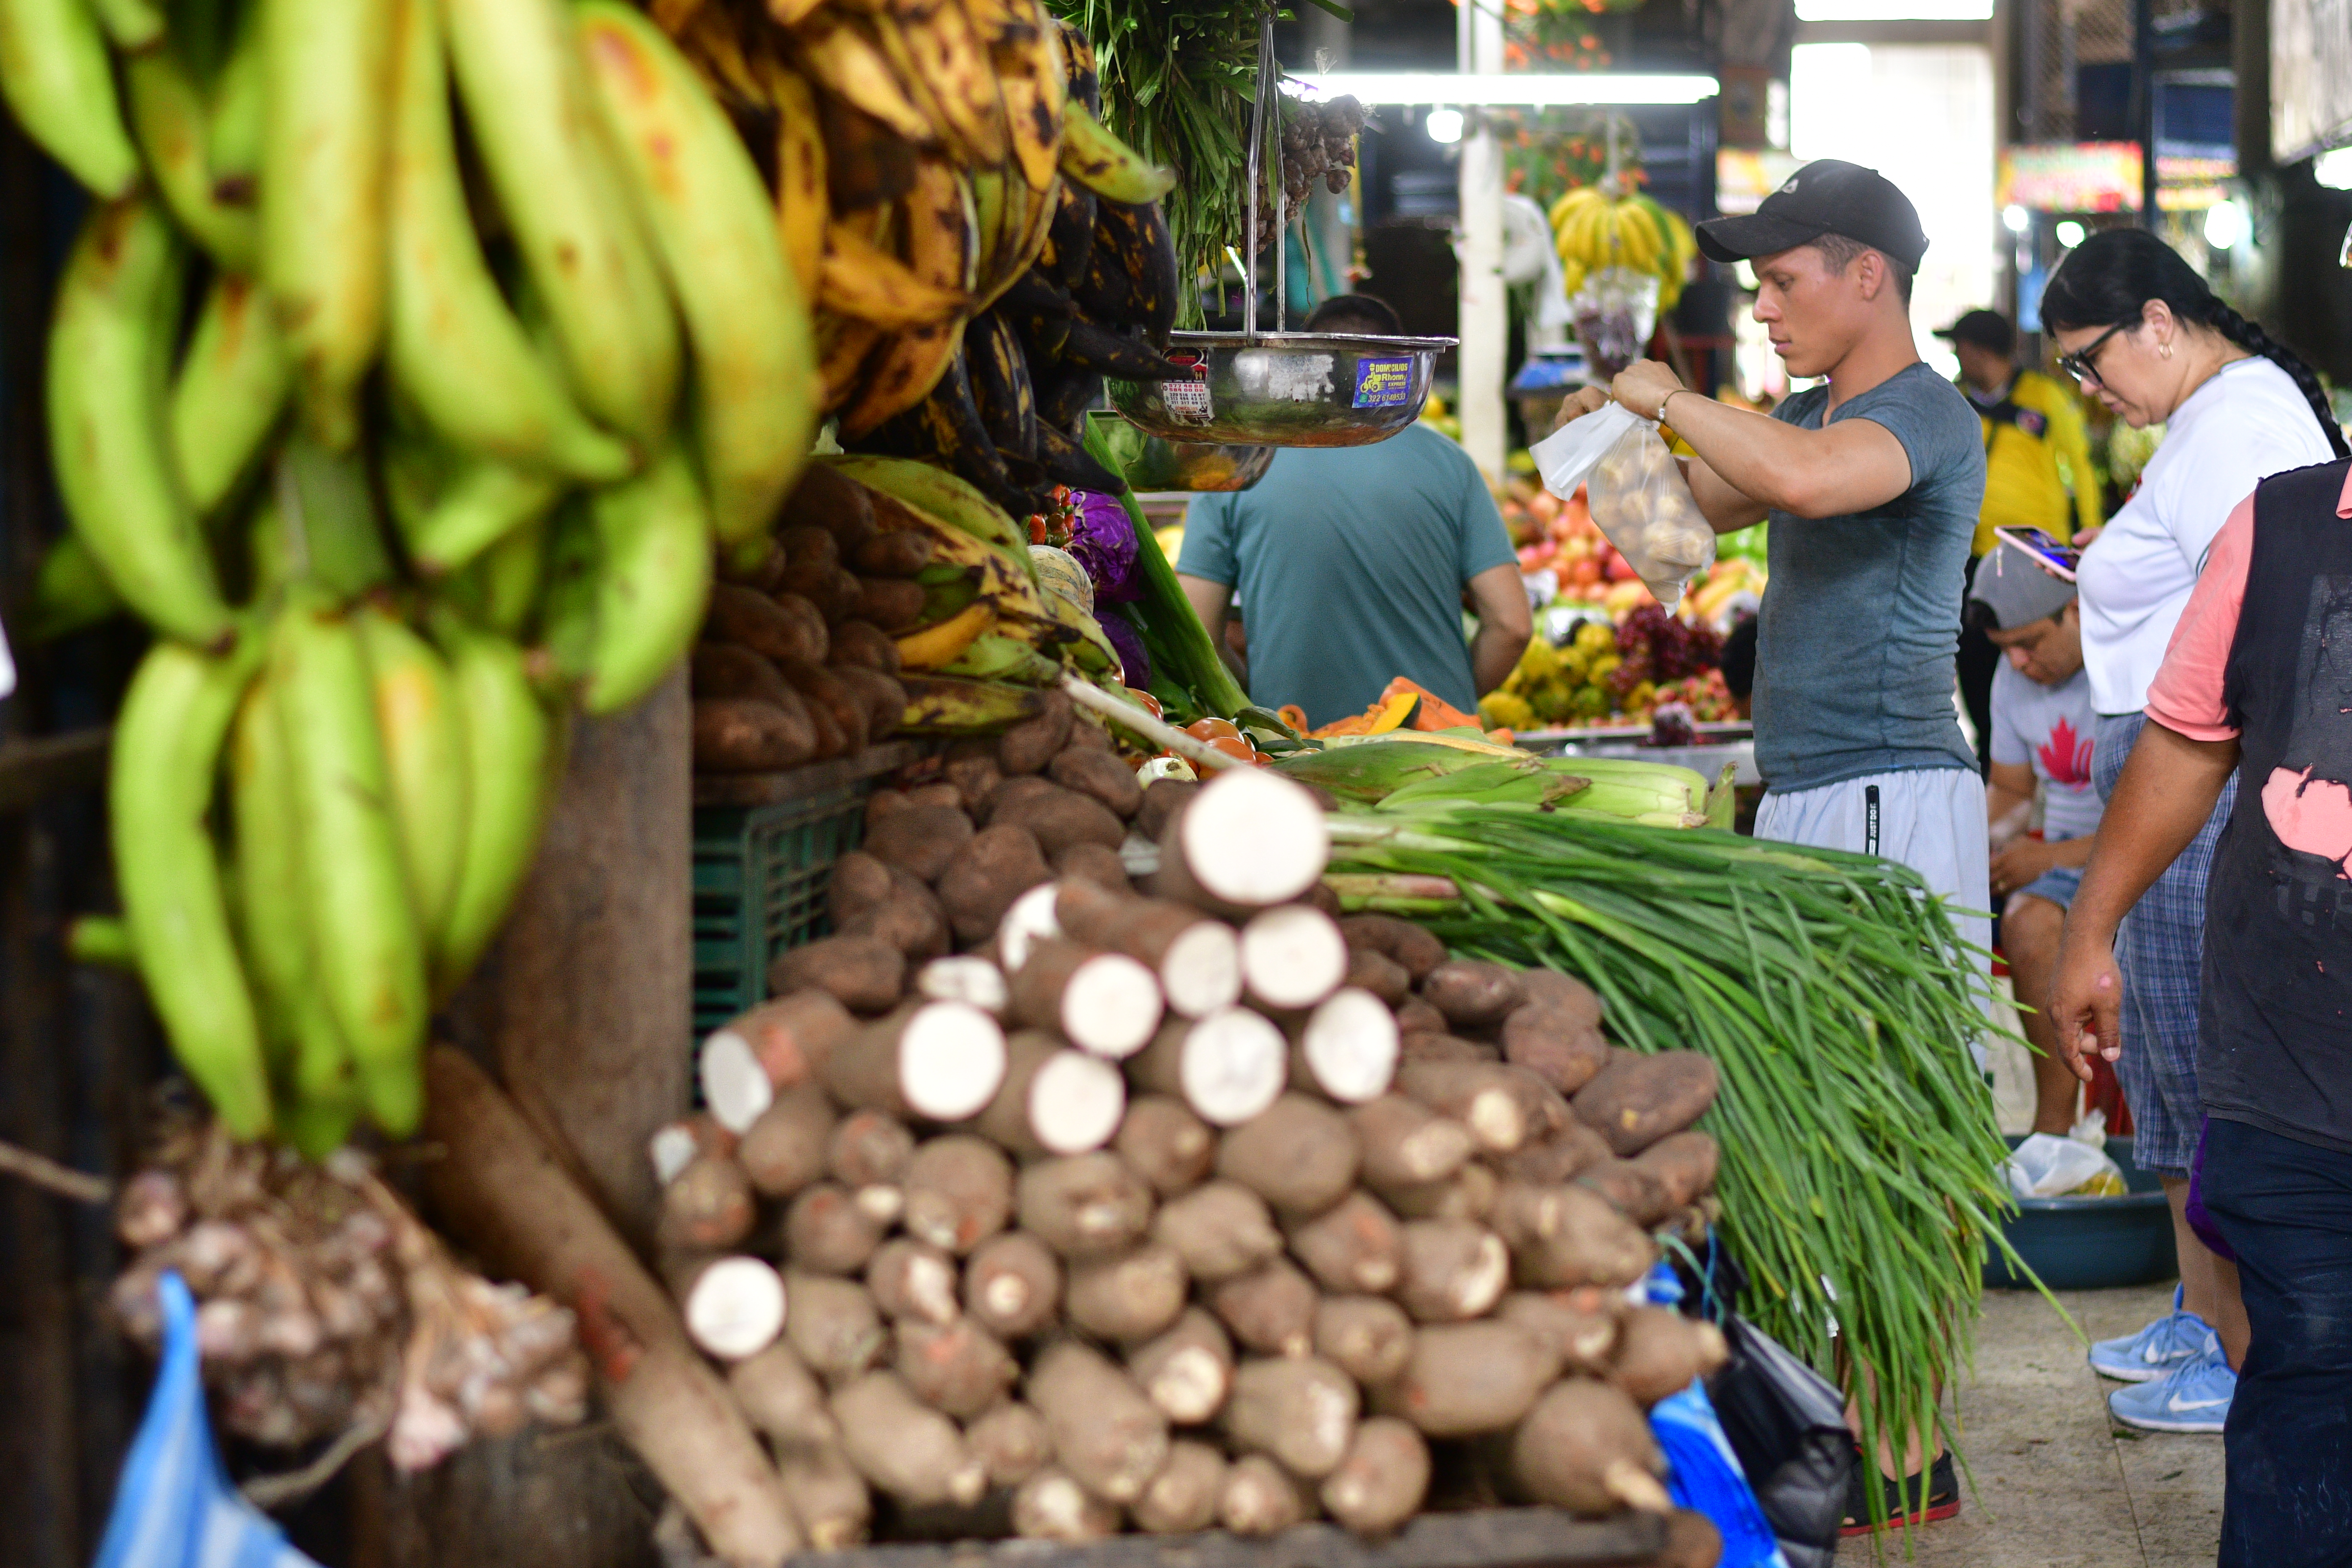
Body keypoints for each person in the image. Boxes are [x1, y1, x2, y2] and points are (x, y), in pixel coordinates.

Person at [1550, 158, 1987, 1533]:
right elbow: (1680, 541)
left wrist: (1665, 395)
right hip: (1814, 792)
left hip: (1886, 798)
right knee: (1837, 1121)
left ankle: (1905, 1441)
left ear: (1868, 275)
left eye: (1782, 283)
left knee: (1896, 1122)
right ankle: (1862, 1420)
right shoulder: (1806, 409)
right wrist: (1602, 446)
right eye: (1752, 291)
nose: (1763, 311)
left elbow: (1797, 486)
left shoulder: (1919, 415)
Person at [2035, 227, 2345, 1432]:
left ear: (2160, 322)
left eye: (2091, 360)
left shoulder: (2247, 428)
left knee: (2207, 1072)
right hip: (2176, 776)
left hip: (2202, 792)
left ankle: (2235, 1339)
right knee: (2167, 1061)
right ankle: (2204, 1311)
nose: (2089, 390)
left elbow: (2263, 641)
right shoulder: (2208, 422)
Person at [2050, 449, 2352, 1564]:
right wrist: (2091, 926)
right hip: (2295, 1061)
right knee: (2309, 1381)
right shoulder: (2279, 525)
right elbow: (2187, 737)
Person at [1174, 294, 1532, 728]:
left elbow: (1197, 634)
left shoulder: (1234, 464)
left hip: (1300, 751)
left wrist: (1256, 694)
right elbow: (1512, 626)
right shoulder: (1450, 464)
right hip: (1441, 756)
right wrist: (1442, 703)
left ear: (1302, 364)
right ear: (1401, 366)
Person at [1967, 547, 2101, 1136]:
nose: (2018, 663)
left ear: (2074, 610)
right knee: (2022, 919)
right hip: (2072, 853)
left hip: (2150, 853)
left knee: (2032, 916)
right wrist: (1972, 844)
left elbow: (2158, 819)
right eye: (2004, 649)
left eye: (2029, 644)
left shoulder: (2123, 663)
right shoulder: (2012, 675)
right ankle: (2054, 1130)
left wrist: (2044, 857)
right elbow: (2013, 791)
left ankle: (2058, 1125)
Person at [1936, 308, 2103, 766]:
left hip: (2040, 555)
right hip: (1975, 556)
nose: (1957, 355)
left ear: (1976, 349)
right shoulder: (1954, 402)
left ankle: (2052, 764)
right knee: (1976, 654)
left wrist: (2088, 547)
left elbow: (2082, 468)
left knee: (2045, 654)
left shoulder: (2045, 397)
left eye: (1960, 347)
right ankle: (1995, 756)